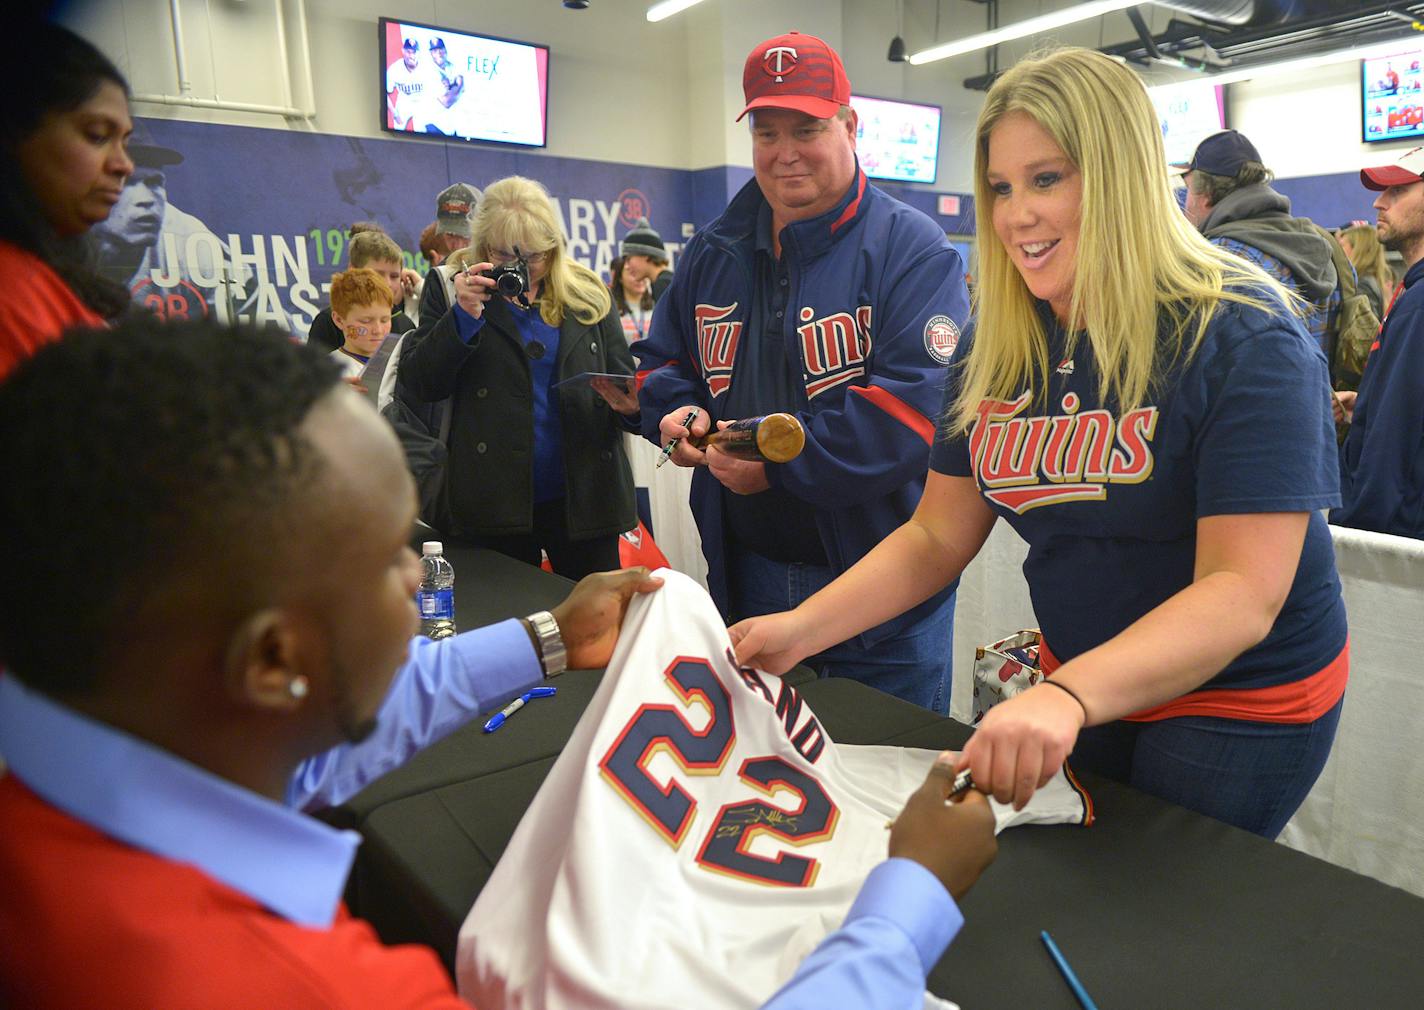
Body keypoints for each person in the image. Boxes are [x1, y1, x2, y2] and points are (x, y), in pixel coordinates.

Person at [0, 317, 998, 1009]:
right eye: (393, 554)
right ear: (273, 658)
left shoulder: (87, 764)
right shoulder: (288, 982)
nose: (413, 577)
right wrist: (905, 897)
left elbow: (292, 750)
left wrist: (548, 639)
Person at [731, 47, 1348, 841]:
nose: (1016, 214)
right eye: (1000, 186)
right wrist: (799, 629)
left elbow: (1241, 593)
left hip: (1238, 698)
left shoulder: (1247, 336)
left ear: (1120, 177)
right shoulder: (998, 339)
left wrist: (1068, 694)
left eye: (1047, 179)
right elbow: (935, 535)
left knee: (1152, 916)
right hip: (1084, 675)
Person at [634, 31, 970, 713]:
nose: (785, 151)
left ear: (850, 125)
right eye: (767, 131)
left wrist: (777, 463)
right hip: (747, 574)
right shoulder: (714, 250)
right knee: (771, 793)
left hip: (885, 599)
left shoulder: (914, 250)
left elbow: (916, 412)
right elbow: (660, 363)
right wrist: (677, 415)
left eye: (808, 128)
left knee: (890, 792)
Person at [399, 176, 637, 580]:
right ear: (481, 245)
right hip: (492, 500)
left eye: (533, 256)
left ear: (554, 248)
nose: (520, 268)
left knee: (597, 628)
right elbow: (421, 385)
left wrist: (634, 408)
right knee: (508, 631)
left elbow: (625, 387)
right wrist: (463, 316)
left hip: (584, 495)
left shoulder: (587, 292)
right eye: (503, 254)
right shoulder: (452, 286)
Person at [0, 21, 133, 380]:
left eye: (125, 141)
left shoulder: (43, 280)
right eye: (97, 135)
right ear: (14, 132)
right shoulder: (11, 292)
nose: (124, 165)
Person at [1178, 129, 1349, 379]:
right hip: (1320, 410)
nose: (1186, 204)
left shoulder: (1214, 262)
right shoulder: (1323, 246)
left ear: (1205, 195)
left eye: (1188, 191)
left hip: (1247, 414)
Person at [1332, 147, 1424, 539]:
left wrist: (1358, 529)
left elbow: (1397, 436)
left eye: (1398, 190)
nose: (1378, 202)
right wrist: (1366, 407)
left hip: (1391, 536)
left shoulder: (1419, 303)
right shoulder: (1412, 292)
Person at [89, 121, 258, 324]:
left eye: (155, 183)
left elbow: (263, 332)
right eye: (130, 183)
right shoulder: (59, 237)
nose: (147, 199)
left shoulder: (191, 242)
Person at [308, 230, 416, 353]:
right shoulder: (327, 323)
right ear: (353, 271)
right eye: (377, 274)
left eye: (394, 276)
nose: (387, 283)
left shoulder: (406, 325)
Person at [327, 267, 394, 381]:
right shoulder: (328, 372)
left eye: (384, 320)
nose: (378, 330)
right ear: (339, 320)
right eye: (365, 321)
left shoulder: (399, 364)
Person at [1338, 221, 1393, 319]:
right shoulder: (1372, 280)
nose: (1337, 250)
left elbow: (1366, 331)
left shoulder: (1361, 285)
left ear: (1358, 249)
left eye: (1341, 245)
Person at [620, 217, 675, 302]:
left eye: (628, 259)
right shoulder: (666, 282)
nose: (627, 266)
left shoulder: (663, 285)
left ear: (646, 256)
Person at [423, 37, 465, 137]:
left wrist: (453, 88)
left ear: (445, 50)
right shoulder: (428, 71)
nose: (439, 53)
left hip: (451, 128)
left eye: (441, 49)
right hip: (434, 126)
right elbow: (447, 101)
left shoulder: (453, 67)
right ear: (431, 53)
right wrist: (455, 86)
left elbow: (461, 86)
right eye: (435, 51)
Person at [609, 254, 654, 343]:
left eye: (642, 272)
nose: (639, 278)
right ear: (620, 278)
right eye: (632, 273)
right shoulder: (611, 309)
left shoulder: (656, 306)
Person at [386, 37, 428, 131]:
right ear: (403, 51)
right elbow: (384, 92)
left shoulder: (427, 67)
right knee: (397, 130)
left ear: (419, 53)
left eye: (414, 52)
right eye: (408, 52)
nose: (411, 56)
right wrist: (395, 113)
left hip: (423, 102)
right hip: (404, 102)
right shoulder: (394, 69)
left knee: (424, 132)